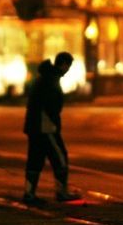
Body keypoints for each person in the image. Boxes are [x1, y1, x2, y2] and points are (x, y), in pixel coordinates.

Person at [22, 52, 81, 205]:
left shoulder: (44, 78)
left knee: (35, 159)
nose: (67, 69)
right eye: (68, 66)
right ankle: (61, 192)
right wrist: (53, 123)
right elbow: (50, 105)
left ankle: (29, 193)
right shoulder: (51, 80)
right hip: (45, 127)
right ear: (64, 64)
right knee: (60, 157)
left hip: (34, 126)